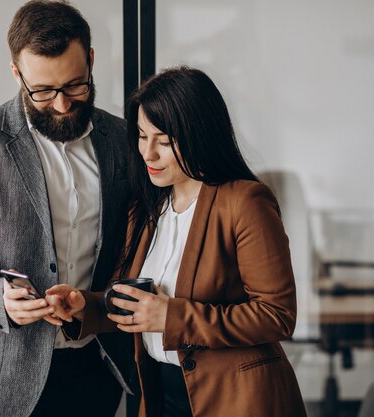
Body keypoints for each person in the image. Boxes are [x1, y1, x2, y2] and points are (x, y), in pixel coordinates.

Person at [48, 66, 307, 417]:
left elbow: (277, 315)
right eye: (141, 136)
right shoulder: (146, 206)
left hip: (238, 398)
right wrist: (86, 306)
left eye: (164, 141)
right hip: (161, 393)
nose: (148, 153)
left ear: (199, 135)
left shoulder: (245, 202)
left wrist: (173, 316)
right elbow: (137, 306)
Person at [0, 1, 133, 416]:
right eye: (42, 91)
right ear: (16, 73)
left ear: (91, 61)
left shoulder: (124, 141)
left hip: (93, 372)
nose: (61, 105)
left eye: (76, 85)